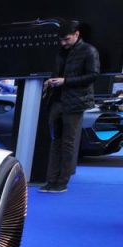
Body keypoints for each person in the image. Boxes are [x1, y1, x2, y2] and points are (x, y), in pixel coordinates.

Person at [40, 19, 100, 193]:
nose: (63, 43)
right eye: (61, 40)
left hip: (75, 102)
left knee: (68, 143)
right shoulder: (61, 51)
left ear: (76, 34)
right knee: (55, 141)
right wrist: (50, 81)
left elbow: (93, 75)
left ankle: (62, 182)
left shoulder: (89, 50)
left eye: (66, 39)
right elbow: (58, 72)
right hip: (56, 100)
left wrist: (65, 81)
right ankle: (51, 180)